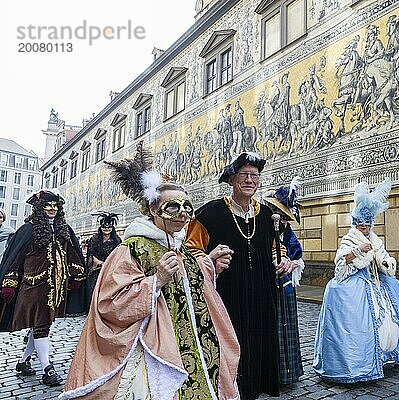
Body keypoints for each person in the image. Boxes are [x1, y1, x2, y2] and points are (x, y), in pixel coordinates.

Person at [60, 143, 240, 400]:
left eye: (187, 208)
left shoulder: (180, 245)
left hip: (196, 343)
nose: (182, 215)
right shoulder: (131, 250)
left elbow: (189, 285)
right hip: (153, 344)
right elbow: (110, 302)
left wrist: (209, 263)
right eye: (172, 208)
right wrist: (155, 282)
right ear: (153, 210)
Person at [186, 152, 294, 400]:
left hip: (261, 292)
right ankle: (228, 390)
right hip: (227, 292)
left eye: (254, 176)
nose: (249, 180)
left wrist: (284, 260)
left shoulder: (267, 215)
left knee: (258, 341)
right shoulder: (209, 213)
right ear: (232, 180)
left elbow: (276, 247)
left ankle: (254, 388)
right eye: (243, 175)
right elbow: (191, 250)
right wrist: (210, 258)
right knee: (230, 341)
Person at [313, 178, 399, 383]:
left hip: (378, 284)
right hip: (356, 284)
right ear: (355, 223)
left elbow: (383, 256)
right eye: (361, 225)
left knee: (391, 318)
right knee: (359, 325)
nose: (364, 228)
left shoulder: (375, 239)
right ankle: (358, 362)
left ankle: (384, 355)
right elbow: (341, 263)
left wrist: (386, 262)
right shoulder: (349, 238)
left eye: (367, 225)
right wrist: (357, 251)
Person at [0, 190, 86, 386]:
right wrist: (9, 283)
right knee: (41, 327)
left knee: (41, 326)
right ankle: (47, 368)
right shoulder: (28, 230)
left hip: (56, 288)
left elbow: (72, 252)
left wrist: (76, 274)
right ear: (39, 208)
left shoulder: (63, 228)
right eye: (48, 206)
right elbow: (15, 258)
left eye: (56, 206)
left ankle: (23, 362)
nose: (52, 209)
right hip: (33, 288)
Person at [263, 176, 305, 386]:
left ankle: (287, 373)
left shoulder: (288, 236)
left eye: (285, 217)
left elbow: (298, 259)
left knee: (286, 329)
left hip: (285, 288)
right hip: (264, 288)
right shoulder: (261, 230)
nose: (282, 221)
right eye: (279, 215)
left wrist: (290, 264)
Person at [85, 212, 121, 297]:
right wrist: (101, 263)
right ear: (101, 228)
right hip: (96, 269)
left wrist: (109, 265)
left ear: (112, 228)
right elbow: (90, 254)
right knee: (95, 291)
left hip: (111, 269)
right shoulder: (94, 239)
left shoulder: (117, 240)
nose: (106, 229)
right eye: (104, 227)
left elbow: (119, 255)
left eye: (109, 227)